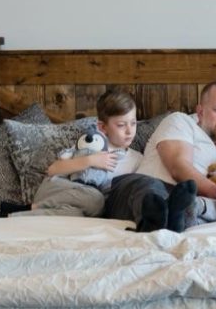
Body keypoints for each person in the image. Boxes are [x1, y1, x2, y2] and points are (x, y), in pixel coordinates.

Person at [105, 81, 216, 232]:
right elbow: (178, 166)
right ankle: (159, 224)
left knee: (192, 207)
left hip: (184, 205)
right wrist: (215, 191)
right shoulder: (181, 121)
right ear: (200, 112)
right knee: (152, 189)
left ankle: (170, 226)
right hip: (136, 193)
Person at [14, 89, 142, 218]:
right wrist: (90, 160)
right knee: (96, 201)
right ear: (103, 127)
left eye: (133, 123)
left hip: (83, 206)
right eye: (121, 125)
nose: (129, 131)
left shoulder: (137, 160)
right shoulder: (92, 143)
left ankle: (12, 215)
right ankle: (31, 207)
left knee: (77, 214)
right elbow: (53, 170)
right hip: (56, 189)